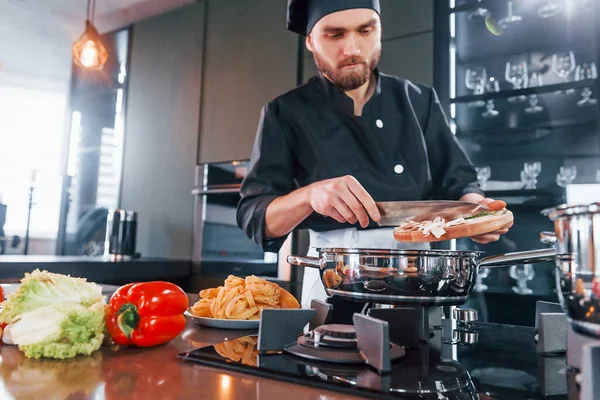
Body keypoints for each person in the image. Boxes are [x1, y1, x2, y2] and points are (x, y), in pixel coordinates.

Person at [236, 0, 512, 308]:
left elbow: (459, 184)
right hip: (336, 280)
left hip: (423, 274)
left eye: (365, 30)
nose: (352, 48)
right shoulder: (285, 113)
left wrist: (479, 213)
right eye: (335, 34)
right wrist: (309, 195)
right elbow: (254, 217)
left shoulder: (419, 100)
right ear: (311, 40)